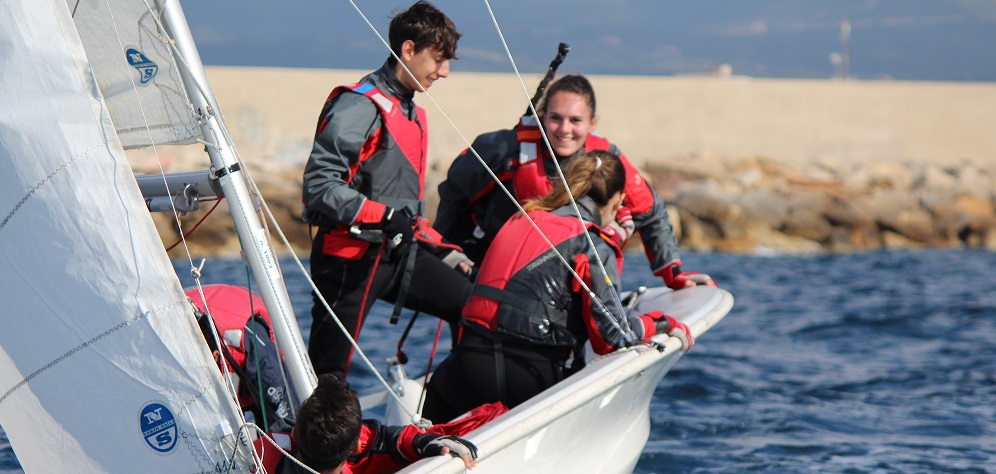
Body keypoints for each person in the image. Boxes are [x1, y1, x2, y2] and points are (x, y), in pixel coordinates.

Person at [421, 151, 695, 423]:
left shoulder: (522, 218)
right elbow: (612, 337)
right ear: (620, 200)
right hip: (526, 375)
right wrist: (661, 323)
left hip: (462, 368)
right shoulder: (593, 242)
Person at [302, 1, 474, 381]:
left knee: (473, 305)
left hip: (399, 256)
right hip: (348, 260)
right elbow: (319, 186)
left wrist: (446, 253)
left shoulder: (412, 112)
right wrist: (383, 217)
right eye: (438, 60)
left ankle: (455, 406)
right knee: (328, 374)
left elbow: (404, 209)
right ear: (408, 50)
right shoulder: (359, 105)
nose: (444, 72)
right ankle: (310, 437)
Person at [434, 74, 715, 289]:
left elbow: (652, 212)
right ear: (542, 117)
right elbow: (452, 196)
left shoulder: (606, 161)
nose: (564, 130)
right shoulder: (500, 149)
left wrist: (672, 273)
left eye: (575, 120)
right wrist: (447, 256)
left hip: (563, 282)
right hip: (491, 274)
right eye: (555, 118)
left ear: (592, 123)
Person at [187, 287, 495, 473]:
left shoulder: (269, 448)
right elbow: (375, 439)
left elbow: (383, 439)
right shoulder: (268, 454)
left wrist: (422, 441)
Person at [259, 375, 486, 474]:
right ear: (355, 447)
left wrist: (423, 442)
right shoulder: (350, 445)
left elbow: (382, 439)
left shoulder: (259, 453)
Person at [187, 284, 295, 433]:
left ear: (214, 357)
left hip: (250, 356)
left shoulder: (261, 357)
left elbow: (290, 424)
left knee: (283, 430)